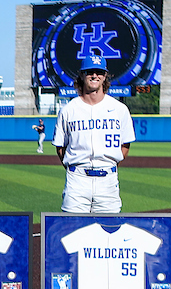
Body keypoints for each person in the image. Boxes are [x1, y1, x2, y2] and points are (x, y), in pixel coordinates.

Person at [52, 55, 135, 212]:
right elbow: (61, 148)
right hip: (77, 180)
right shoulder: (68, 110)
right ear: (82, 75)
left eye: (99, 72)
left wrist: (109, 165)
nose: (94, 75)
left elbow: (125, 146)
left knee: (108, 232)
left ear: (105, 77)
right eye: (90, 72)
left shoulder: (119, 109)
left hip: (108, 181)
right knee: (73, 231)